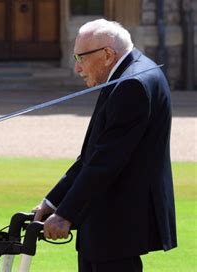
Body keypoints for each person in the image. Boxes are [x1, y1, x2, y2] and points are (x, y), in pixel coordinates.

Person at [32, 19, 177, 272]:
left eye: (81, 58)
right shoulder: (129, 73)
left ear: (108, 54)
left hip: (117, 223)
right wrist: (53, 202)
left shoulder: (131, 84)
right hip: (108, 223)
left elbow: (105, 162)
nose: (77, 67)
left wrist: (65, 214)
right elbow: (93, 154)